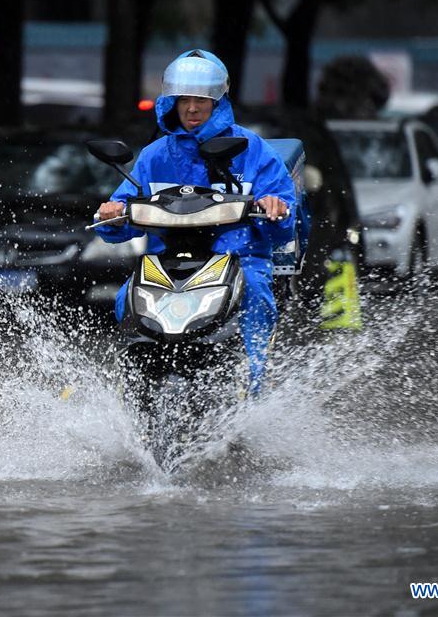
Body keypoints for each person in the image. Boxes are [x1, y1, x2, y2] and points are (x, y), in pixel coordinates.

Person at [95, 49, 296, 393]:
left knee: (256, 292)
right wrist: (111, 215)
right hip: (166, 264)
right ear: (170, 102)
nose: (191, 108)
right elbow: (121, 213)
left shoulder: (255, 150)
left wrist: (274, 207)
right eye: (183, 99)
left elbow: (283, 221)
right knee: (126, 296)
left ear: (218, 100)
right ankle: (128, 384)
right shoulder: (155, 156)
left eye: (200, 99)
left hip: (237, 259)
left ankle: (252, 384)